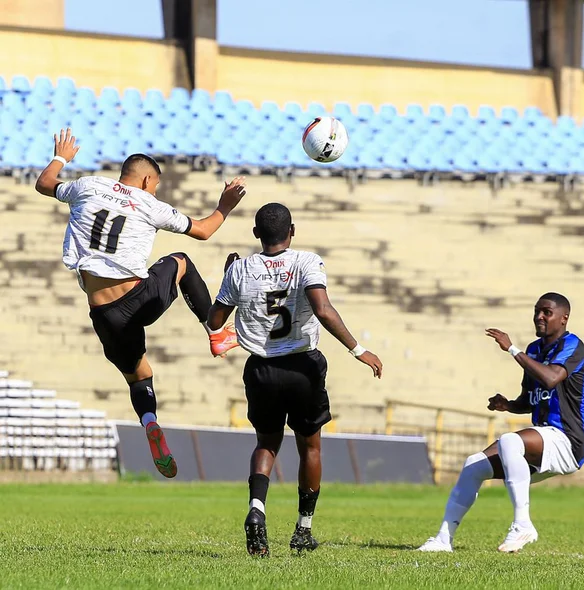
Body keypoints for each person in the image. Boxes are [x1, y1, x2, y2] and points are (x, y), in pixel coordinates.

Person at [34, 128, 244, 479]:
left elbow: (45, 183)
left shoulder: (87, 186)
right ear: (147, 180)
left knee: (139, 377)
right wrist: (225, 205)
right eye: (156, 184)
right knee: (180, 260)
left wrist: (61, 158)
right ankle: (216, 331)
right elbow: (205, 230)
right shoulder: (150, 204)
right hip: (138, 298)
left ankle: (149, 421)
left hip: (103, 313)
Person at [206, 202, 383, 557]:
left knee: (267, 444)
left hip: (262, 368)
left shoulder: (240, 270)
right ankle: (303, 529)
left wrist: (229, 276)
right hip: (302, 366)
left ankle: (257, 510)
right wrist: (358, 349)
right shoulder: (306, 261)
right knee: (311, 447)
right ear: (292, 231)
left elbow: (214, 321)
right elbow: (322, 309)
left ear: (256, 234)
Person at [417, 293, 584, 554]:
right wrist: (508, 404)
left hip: (568, 441)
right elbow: (530, 400)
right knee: (473, 465)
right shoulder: (534, 350)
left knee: (510, 440)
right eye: (536, 311)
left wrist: (512, 349)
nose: (539, 317)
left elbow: (552, 378)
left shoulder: (572, 345)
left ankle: (522, 525)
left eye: (546, 312)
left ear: (564, 318)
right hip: (542, 441)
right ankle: (443, 539)